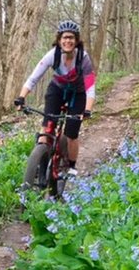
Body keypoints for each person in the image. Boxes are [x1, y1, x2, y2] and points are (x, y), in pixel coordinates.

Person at [14, 19, 96, 176]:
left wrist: (87, 110)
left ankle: (71, 166)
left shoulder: (84, 59)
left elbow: (90, 88)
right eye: (65, 37)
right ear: (59, 40)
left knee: (72, 133)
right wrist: (21, 97)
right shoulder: (52, 55)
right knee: (47, 127)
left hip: (77, 94)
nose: (68, 41)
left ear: (76, 40)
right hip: (57, 90)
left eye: (71, 37)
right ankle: (38, 161)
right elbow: (33, 78)